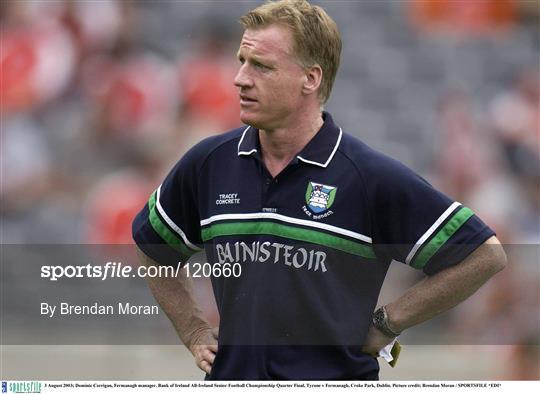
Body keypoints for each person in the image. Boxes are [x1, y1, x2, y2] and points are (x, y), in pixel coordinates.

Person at [132, 0, 506, 380]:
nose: (240, 78)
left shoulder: (368, 175)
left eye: (261, 66)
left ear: (311, 79)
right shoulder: (209, 163)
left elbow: (483, 255)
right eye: (242, 60)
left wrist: (387, 323)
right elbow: (152, 246)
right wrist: (193, 329)